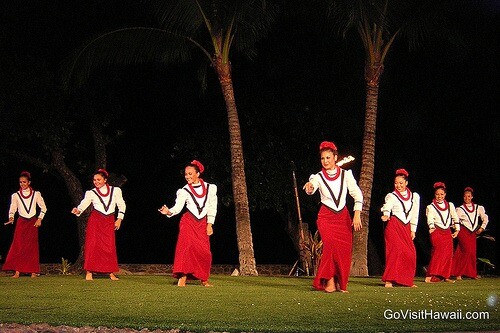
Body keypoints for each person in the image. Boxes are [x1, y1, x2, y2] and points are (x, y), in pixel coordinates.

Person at [303, 141, 363, 293]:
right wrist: (309, 187)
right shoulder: (317, 177)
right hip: (326, 216)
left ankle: (340, 283)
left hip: (343, 217)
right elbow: (311, 187)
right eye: (323, 158)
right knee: (330, 246)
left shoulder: (346, 175)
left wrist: (357, 214)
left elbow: (357, 194)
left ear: (335, 158)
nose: (325, 161)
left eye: (328, 158)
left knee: (343, 251)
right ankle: (328, 281)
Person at [158, 160, 217, 287]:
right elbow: (178, 207)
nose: (187, 176)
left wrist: (210, 224)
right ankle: (183, 276)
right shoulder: (184, 190)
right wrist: (168, 212)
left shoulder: (210, 188)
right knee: (186, 248)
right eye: (186, 174)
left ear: (198, 174)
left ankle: (203, 279)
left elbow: (212, 207)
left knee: (204, 252)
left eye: (190, 174)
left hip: (202, 223)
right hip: (188, 221)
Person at [71, 169, 126, 281]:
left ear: (105, 180)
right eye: (94, 180)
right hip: (96, 220)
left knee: (109, 247)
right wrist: (78, 210)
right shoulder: (91, 193)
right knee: (92, 245)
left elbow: (121, 205)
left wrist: (119, 218)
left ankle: (110, 272)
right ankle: (89, 272)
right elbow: (84, 203)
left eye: (99, 179)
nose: (96, 182)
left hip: (109, 220)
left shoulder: (116, 190)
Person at [2, 171, 47, 278]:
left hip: (32, 222)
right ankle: (17, 271)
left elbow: (44, 207)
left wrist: (40, 218)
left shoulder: (36, 194)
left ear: (29, 182)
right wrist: (11, 217)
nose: (22, 184)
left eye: (24, 182)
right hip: (21, 222)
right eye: (20, 182)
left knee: (32, 247)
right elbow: (13, 208)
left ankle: (33, 271)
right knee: (19, 246)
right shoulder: (15, 195)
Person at [380, 169, 420, 288]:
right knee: (395, 251)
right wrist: (386, 214)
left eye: (401, 183)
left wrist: (413, 230)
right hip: (394, 226)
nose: (398, 185)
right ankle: (389, 280)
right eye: (396, 183)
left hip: (406, 227)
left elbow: (415, 213)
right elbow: (387, 206)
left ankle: (406, 280)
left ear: (406, 183)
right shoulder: (391, 196)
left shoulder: (414, 197)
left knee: (410, 253)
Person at [425, 182, 459, 283]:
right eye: (437, 194)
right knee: (438, 253)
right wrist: (431, 227)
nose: (439, 196)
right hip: (437, 230)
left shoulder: (450, 205)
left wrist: (457, 229)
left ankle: (445, 275)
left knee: (448, 254)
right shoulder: (430, 207)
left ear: (445, 195)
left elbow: (454, 216)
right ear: (435, 195)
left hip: (447, 231)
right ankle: (430, 275)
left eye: (441, 194)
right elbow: (430, 218)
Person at [451, 187, 489, 280]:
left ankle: (471, 273)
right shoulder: (459, 209)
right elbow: (454, 221)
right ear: (463, 197)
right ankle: (458, 273)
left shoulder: (478, 208)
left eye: (469, 196)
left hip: (472, 232)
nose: (467, 198)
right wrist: (457, 229)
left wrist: (482, 227)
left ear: (472, 197)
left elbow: (485, 218)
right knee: (466, 251)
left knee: (470, 252)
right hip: (463, 231)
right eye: (465, 196)